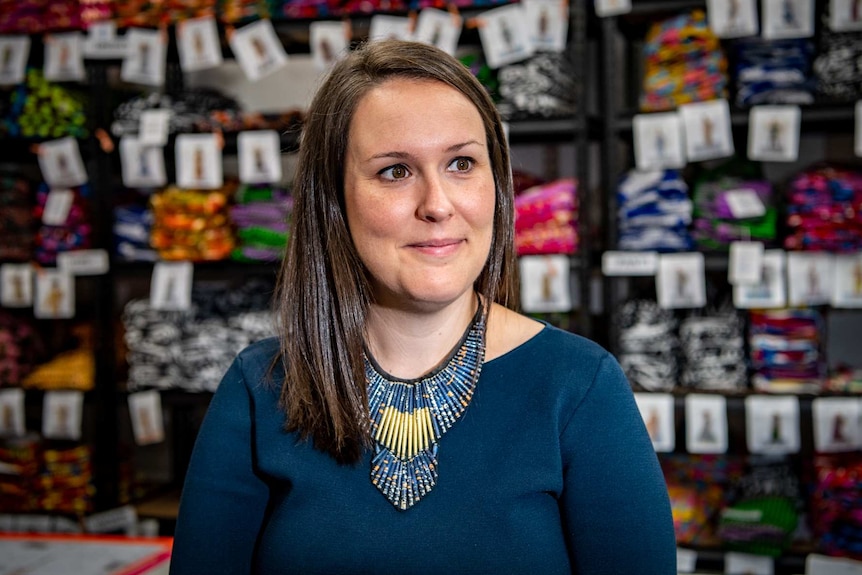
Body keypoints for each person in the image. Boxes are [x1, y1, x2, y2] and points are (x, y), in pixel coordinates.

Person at [169, 38, 676, 574]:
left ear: (497, 186)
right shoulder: (261, 386)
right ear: (332, 198)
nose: (437, 204)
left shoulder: (579, 384)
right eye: (395, 171)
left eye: (462, 163)